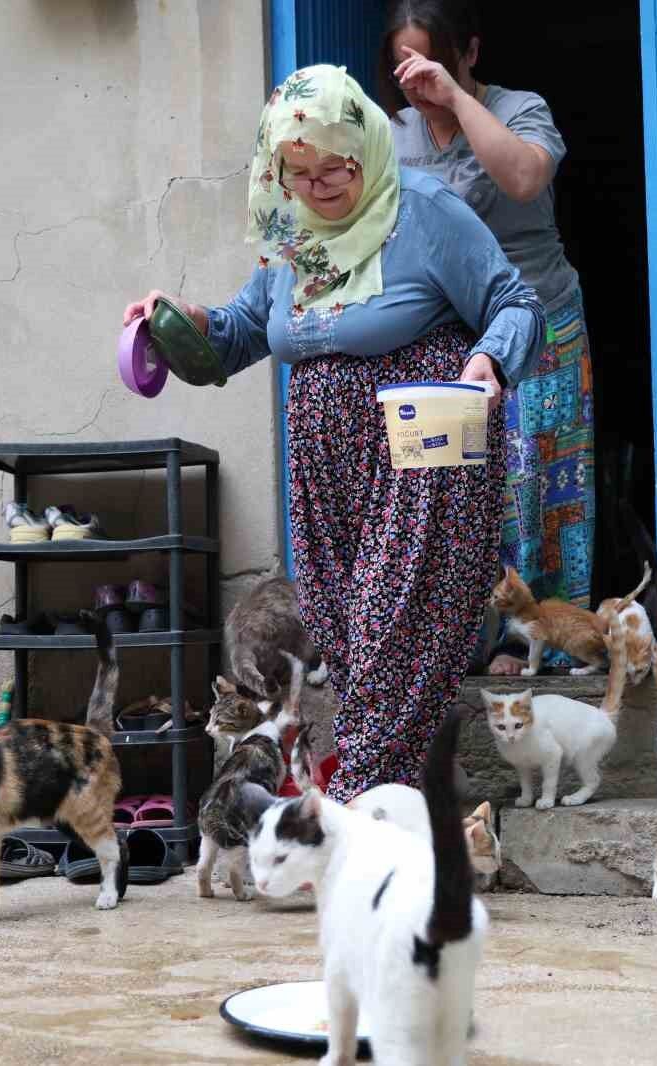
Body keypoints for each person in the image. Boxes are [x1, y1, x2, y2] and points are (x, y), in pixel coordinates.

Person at [123, 65, 543, 803]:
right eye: (298, 172)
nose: (318, 187)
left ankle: (353, 813)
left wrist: (488, 358)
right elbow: (241, 334)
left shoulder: (424, 210)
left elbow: (516, 302)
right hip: (329, 474)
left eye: (335, 168)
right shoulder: (292, 233)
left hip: (422, 454)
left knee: (392, 633)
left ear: (367, 149)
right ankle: (419, 818)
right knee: (351, 645)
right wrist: (179, 325)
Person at [381, 1, 594, 674]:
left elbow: (525, 178)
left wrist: (456, 100)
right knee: (457, 486)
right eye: (404, 68)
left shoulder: (518, 107)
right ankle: (457, 637)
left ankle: (531, 638)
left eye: (431, 64)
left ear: (470, 51)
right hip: (449, 336)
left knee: (536, 480)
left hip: (540, 322)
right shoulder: (391, 135)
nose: (417, 84)